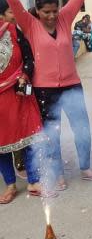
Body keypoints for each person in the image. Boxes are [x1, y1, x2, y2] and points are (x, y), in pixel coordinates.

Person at [0, 0, 92, 190]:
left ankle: (85, 168)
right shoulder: (28, 24)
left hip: (72, 85)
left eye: (54, 11)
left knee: (82, 128)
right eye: (46, 12)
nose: (51, 16)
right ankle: (58, 174)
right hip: (44, 89)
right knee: (52, 134)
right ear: (37, 11)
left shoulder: (65, 19)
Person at [0, 11, 54, 203]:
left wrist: (24, 76)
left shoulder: (13, 31)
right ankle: (10, 185)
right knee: (1, 146)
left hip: (19, 93)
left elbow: (29, 59)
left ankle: (34, 181)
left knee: (30, 138)